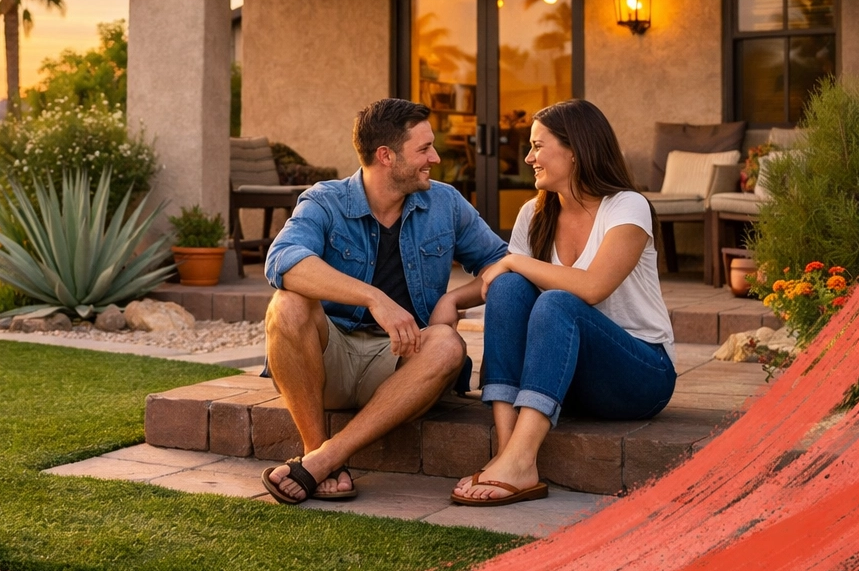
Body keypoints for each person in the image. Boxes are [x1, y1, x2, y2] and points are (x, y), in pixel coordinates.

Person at [260, 98, 507, 504]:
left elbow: (501, 263)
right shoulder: (325, 201)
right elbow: (283, 261)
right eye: (424, 149)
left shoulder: (445, 203)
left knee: (446, 343)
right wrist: (375, 298)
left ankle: (323, 462)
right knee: (287, 304)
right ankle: (315, 448)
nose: (436, 157)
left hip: (401, 367)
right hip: (327, 362)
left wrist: (453, 299)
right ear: (386, 156)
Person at [452, 99, 676, 506]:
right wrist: (451, 301)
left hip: (641, 374)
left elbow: (591, 287)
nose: (528, 157)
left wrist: (515, 260)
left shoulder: (627, 206)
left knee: (557, 303)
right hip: (570, 377)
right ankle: (510, 454)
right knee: (509, 288)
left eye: (538, 146)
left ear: (575, 150)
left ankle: (519, 457)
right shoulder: (533, 214)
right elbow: (502, 279)